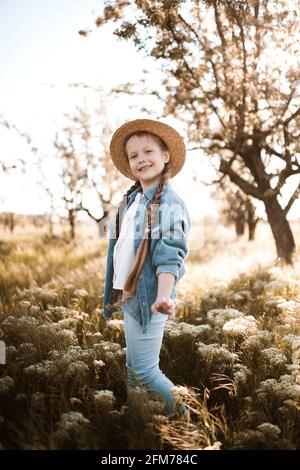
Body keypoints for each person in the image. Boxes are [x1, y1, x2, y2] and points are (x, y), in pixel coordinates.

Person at [102, 118, 192, 418]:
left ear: (165, 155)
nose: (141, 159)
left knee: (145, 371)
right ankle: (137, 424)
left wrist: (163, 297)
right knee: (133, 369)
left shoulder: (168, 202)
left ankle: (193, 421)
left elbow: (170, 255)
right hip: (131, 295)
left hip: (150, 299)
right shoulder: (132, 199)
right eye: (134, 156)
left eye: (148, 151)